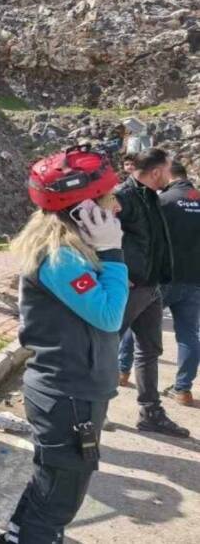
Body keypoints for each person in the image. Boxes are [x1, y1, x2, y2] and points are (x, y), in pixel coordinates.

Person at [0, 146, 128, 544]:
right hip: (67, 391)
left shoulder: (69, 251)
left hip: (71, 387)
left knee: (54, 483)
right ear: (82, 209)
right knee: (61, 492)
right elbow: (109, 316)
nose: (116, 206)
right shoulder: (59, 258)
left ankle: (22, 534)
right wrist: (112, 252)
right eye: (107, 199)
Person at [113, 148, 189, 437]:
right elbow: (99, 236)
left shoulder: (150, 196)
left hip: (152, 287)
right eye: (168, 169)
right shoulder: (123, 196)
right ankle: (94, 408)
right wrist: (119, 271)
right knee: (108, 345)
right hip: (131, 288)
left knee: (149, 349)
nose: (170, 174)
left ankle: (150, 412)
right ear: (156, 171)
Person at [123, 162, 200, 406]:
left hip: (163, 278)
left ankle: (121, 371)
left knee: (136, 323)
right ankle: (183, 390)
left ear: (169, 175)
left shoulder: (161, 201)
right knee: (189, 334)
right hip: (195, 279)